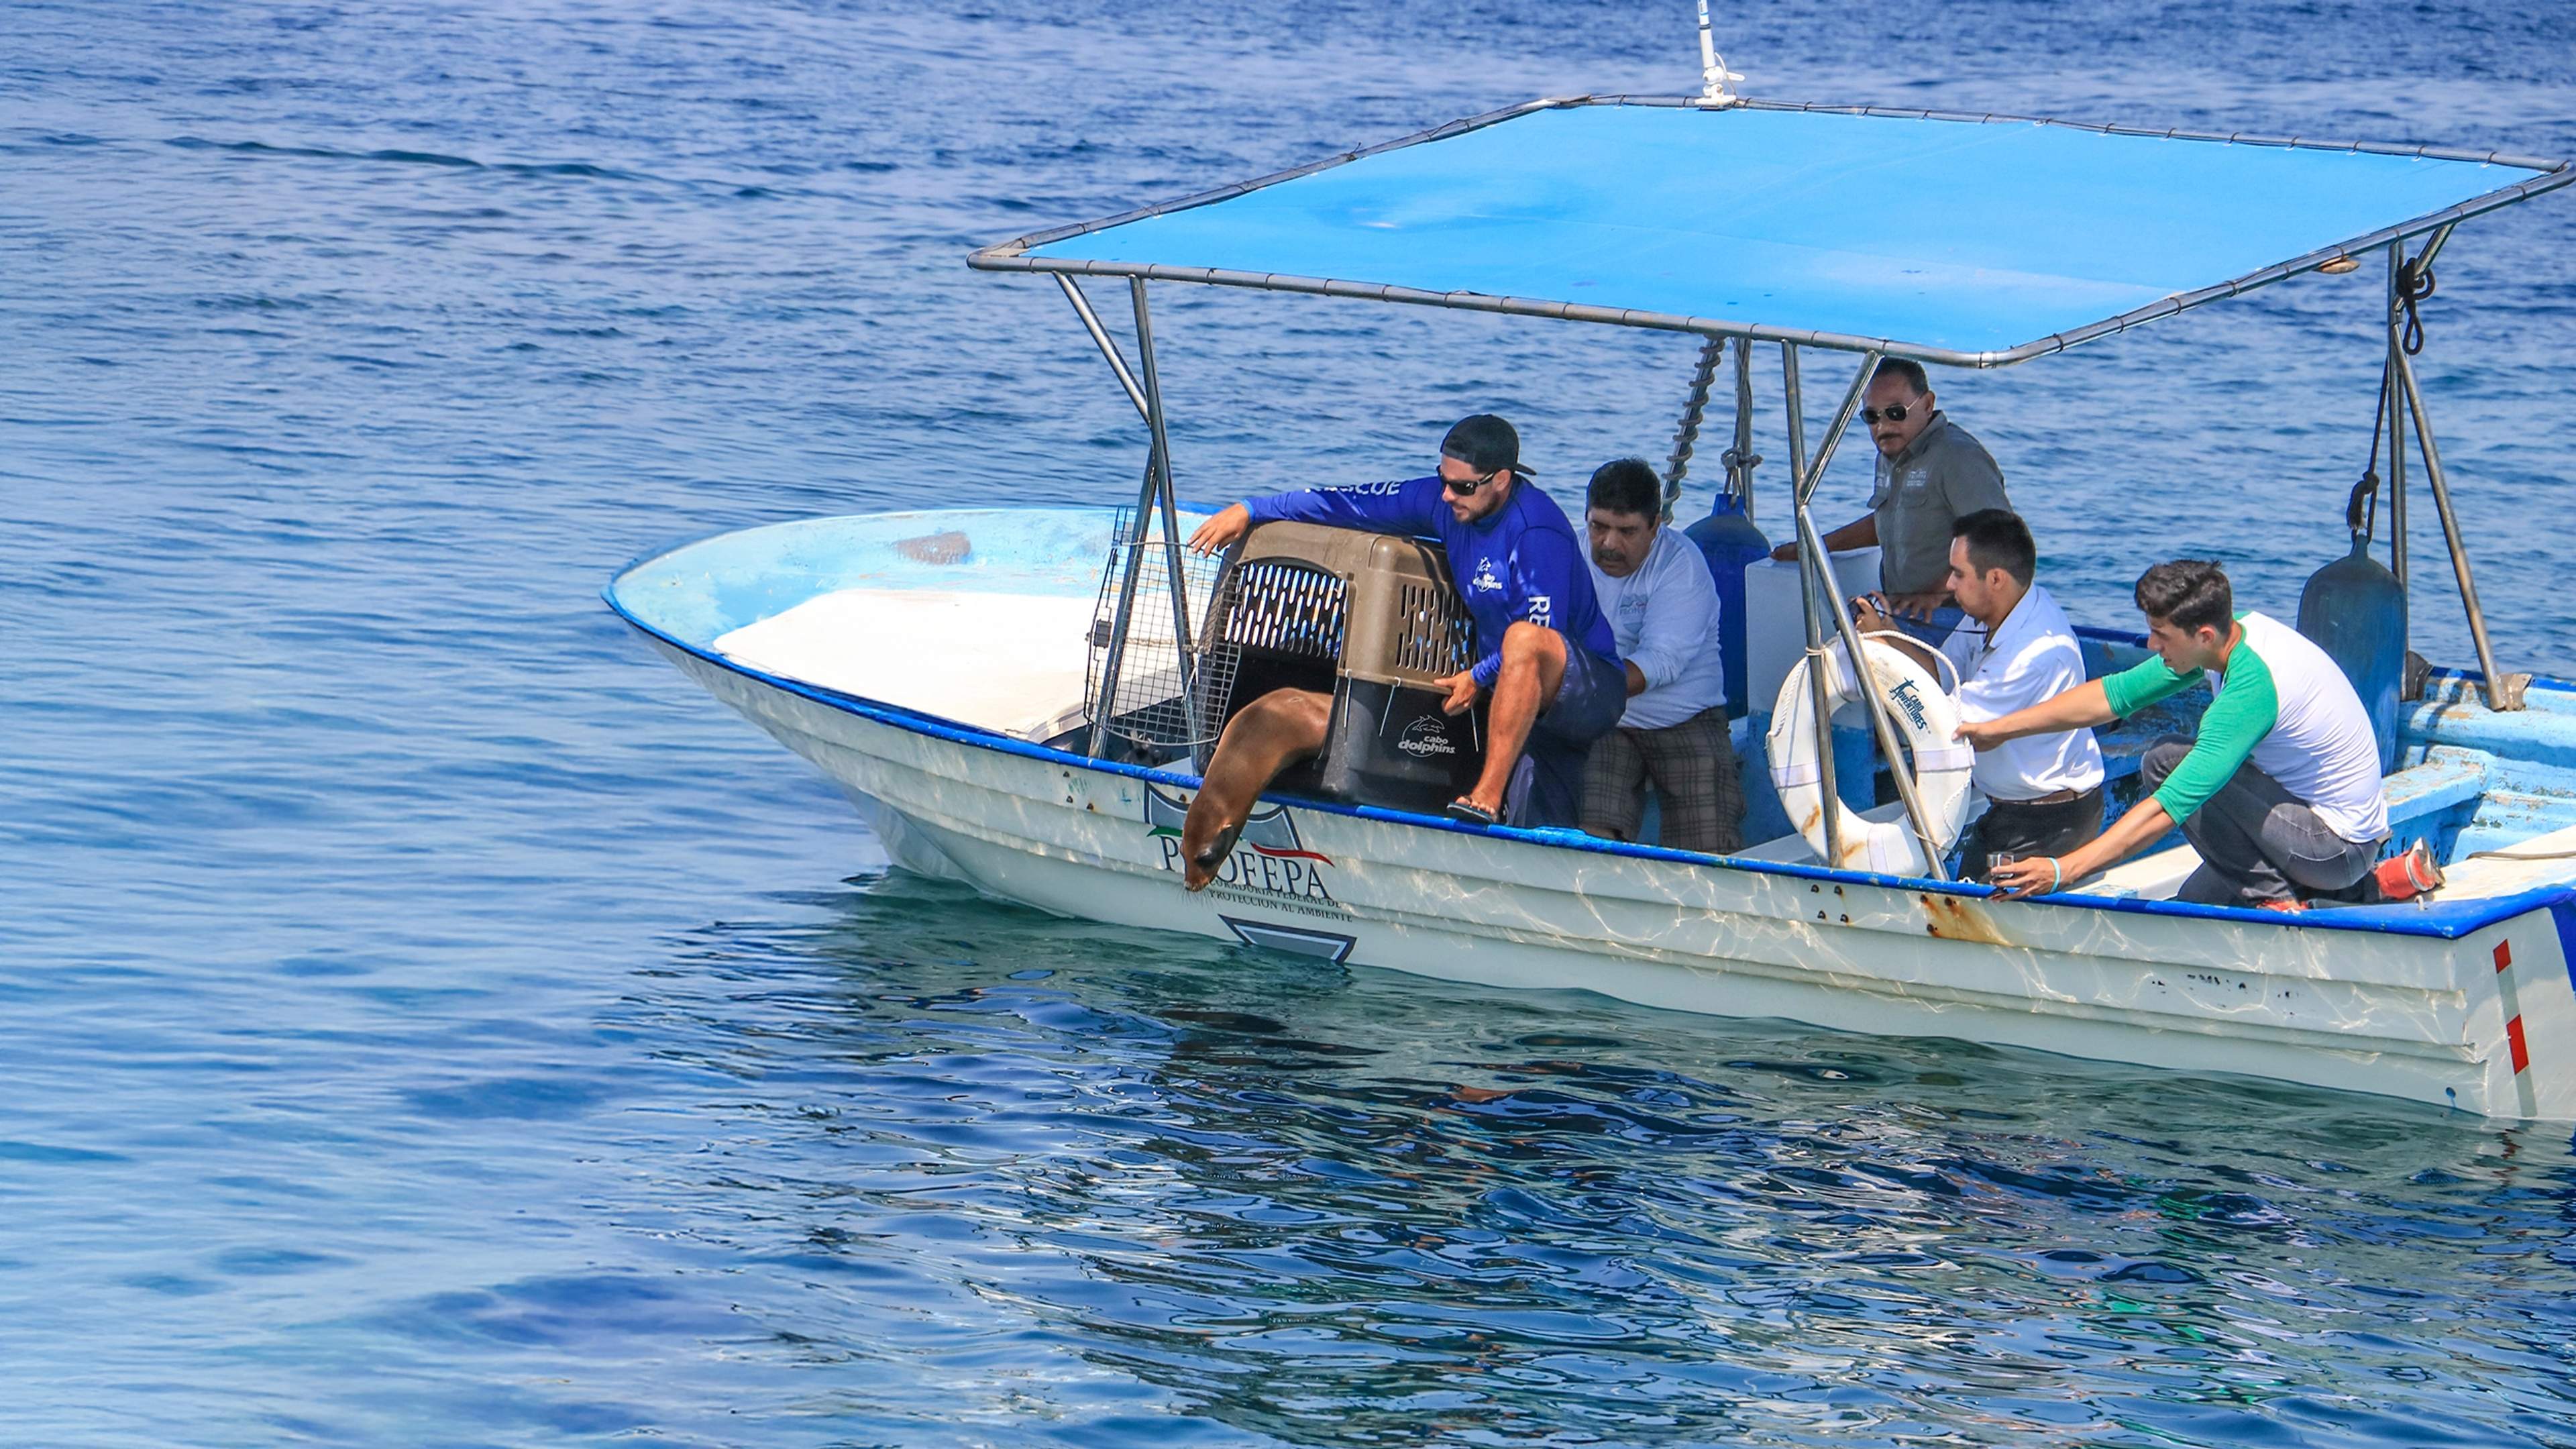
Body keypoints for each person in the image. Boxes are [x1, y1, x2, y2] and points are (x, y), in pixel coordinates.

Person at [1187, 414, 1624, 829]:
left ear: (1502, 481)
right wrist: (1251, 509)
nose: (1448, 495)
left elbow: (1543, 635)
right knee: (1539, 814)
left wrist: (1478, 675)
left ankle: (1486, 797)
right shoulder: (1444, 501)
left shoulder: (1536, 530)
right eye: (1443, 480)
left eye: (1463, 487)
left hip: (1587, 687)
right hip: (1505, 688)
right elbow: (1349, 503)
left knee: (1524, 640)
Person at [1962, 559, 2437, 909]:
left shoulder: (2252, 688)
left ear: (2203, 635)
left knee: (2166, 761)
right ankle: (2376, 887)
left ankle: (2278, 903)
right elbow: (2113, 695)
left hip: (2333, 848)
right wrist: (1998, 729)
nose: (2150, 646)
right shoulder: (2235, 634)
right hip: (2320, 831)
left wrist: (2064, 869)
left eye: (2160, 636)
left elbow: (2169, 808)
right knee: (2189, 903)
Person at [1852, 508, 2103, 879]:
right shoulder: (1991, 610)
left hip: (2046, 823)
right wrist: (1889, 633)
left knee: (1983, 920)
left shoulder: (2030, 655)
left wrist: (1881, 656)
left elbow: (1952, 728)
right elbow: (1942, 676)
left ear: (1996, 578)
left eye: (1958, 574)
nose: (1949, 585)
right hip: (2008, 810)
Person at [1576, 458, 1743, 854]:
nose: (1609, 544)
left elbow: (1662, 661)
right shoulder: (1568, 553)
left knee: (1707, 853)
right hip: (1607, 721)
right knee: (1590, 838)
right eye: (1599, 527)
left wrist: (1578, 687)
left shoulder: (1682, 565)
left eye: (1627, 531)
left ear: (1656, 525)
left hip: (1685, 718)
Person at [1770, 358, 2009, 633]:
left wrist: (1936, 594)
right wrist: (1813, 548)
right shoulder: (1892, 452)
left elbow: (1998, 537)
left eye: (1896, 412)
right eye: (1872, 417)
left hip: (1957, 620)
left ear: (1928, 404)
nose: (1883, 427)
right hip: (1903, 612)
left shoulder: (1958, 457)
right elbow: (1889, 520)